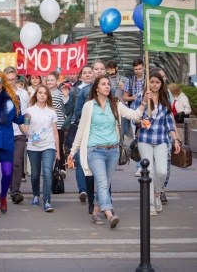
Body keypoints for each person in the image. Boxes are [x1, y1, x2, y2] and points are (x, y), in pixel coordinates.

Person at [67, 75, 150, 227]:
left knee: (104, 184)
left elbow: (134, 115)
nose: (107, 86)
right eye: (103, 84)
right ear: (96, 88)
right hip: (94, 151)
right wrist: (73, 152)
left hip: (113, 151)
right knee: (103, 182)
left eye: (108, 84)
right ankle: (110, 214)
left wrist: (144, 103)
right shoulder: (89, 106)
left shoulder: (115, 103)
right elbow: (81, 130)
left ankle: (95, 213)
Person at [132, 71, 181, 216]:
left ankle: (157, 193)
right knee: (150, 171)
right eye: (152, 81)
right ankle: (151, 203)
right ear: (148, 82)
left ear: (161, 84)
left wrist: (176, 139)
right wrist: (141, 118)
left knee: (162, 171)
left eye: (157, 82)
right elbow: (134, 118)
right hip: (145, 139)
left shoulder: (165, 98)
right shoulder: (142, 97)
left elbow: (170, 122)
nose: (154, 84)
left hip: (161, 139)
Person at [0, 70, 25, 219]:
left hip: (7, 140)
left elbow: (17, 119)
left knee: (8, 173)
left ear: (4, 82)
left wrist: (25, 118)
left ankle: (3, 196)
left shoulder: (13, 98)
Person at [64, 64, 97, 211]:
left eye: (90, 72)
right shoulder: (76, 91)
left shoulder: (99, 88)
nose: (88, 74)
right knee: (78, 158)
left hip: (95, 130)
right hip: (80, 128)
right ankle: (82, 190)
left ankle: (93, 191)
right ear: (81, 75)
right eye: (85, 73)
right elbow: (73, 111)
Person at [24, 84, 60, 212]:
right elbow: (25, 129)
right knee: (34, 174)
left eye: (45, 93)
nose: (42, 95)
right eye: (40, 92)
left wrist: (58, 151)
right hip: (33, 147)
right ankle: (35, 194)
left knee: (47, 172)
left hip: (49, 145)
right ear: (36, 94)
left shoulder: (52, 111)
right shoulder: (29, 111)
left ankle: (47, 200)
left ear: (47, 96)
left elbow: (55, 132)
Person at [4, 67, 29, 204]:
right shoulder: (0, 94)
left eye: (13, 79)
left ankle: (15, 192)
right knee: (8, 164)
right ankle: (9, 185)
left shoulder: (23, 93)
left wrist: (27, 128)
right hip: (5, 133)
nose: (11, 82)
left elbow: (26, 113)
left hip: (19, 133)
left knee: (17, 162)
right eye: (8, 79)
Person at [123, 58, 146, 176]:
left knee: (146, 139)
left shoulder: (148, 80)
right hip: (135, 112)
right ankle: (139, 165)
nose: (138, 71)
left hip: (147, 112)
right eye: (136, 69)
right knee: (137, 138)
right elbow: (125, 97)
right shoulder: (130, 81)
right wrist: (134, 98)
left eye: (140, 69)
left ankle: (146, 164)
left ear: (143, 67)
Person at [46, 71, 68, 179]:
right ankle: (49, 168)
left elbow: (64, 107)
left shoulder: (60, 94)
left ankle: (62, 168)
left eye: (52, 80)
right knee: (49, 147)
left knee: (59, 146)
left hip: (58, 124)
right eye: (48, 80)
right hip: (46, 125)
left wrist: (65, 97)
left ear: (57, 82)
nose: (50, 82)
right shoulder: (43, 93)